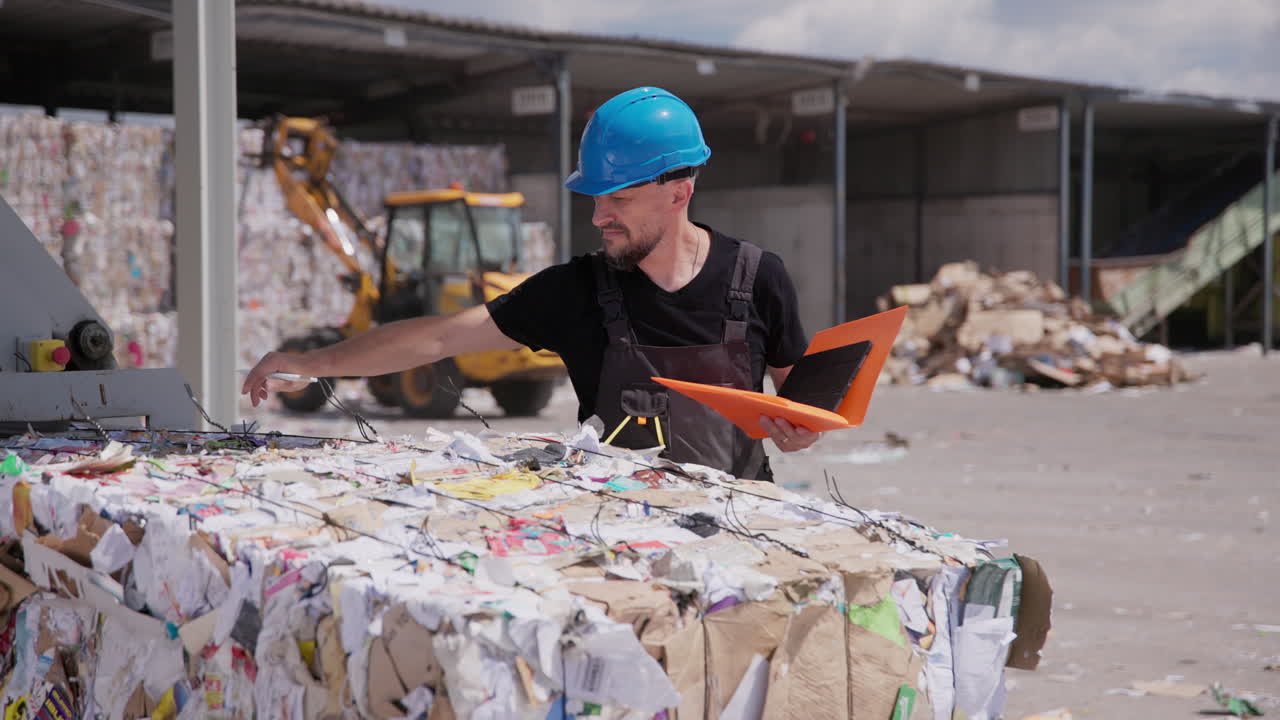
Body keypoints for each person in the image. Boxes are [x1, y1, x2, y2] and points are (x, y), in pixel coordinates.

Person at [243, 86, 818, 481]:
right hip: (623, 537)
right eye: (596, 199)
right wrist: (311, 362)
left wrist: (800, 431)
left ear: (678, 192)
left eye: (618, 198)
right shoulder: (576, 291)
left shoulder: (758, 277)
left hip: (743, 526)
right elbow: (437, 339)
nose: (599, 218)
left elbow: (804, 407)